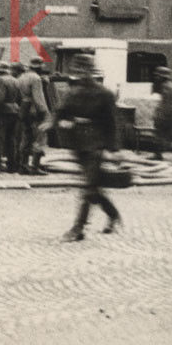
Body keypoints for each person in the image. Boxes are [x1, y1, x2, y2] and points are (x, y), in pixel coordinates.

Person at [54, 53, 122, 241]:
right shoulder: (72, 93)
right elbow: (61, 112)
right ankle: (113, 214)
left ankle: (78, 228)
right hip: (78, 144)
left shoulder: (104, 94)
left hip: (96, 144)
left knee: (88, 186)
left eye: (84, 70)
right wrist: (59, 122)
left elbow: (112, 123)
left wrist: (115, 150)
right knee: (93, 186)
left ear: (91, 71)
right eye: (77, 70)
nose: (80, 74)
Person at [17, 57, 51, 175]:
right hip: (35, 110)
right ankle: (35, 167)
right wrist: (45, 112)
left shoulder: (22, 77)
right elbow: (38, 98)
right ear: (39, 67)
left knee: (26, 137)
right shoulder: (36, 78)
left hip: (23, 109)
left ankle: (23, 165)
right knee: (40, 137)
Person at [0, 61, 22, 173]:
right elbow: (20, 98)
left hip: (3, 112)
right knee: (11, 139)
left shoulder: (1, 80)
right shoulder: (15, 80)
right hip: (14, 111)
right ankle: (12, 166)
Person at [152, 66, 172, 160]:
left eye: (157, 76)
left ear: (162, 77)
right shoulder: (170, 85)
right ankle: (159, 154)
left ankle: (158, 154)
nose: (156, 78)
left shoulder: (166, 87)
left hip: (166, 115)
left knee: (160, 135)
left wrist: (159, 115)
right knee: (164, 135)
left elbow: (166, 103)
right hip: (169, 114)